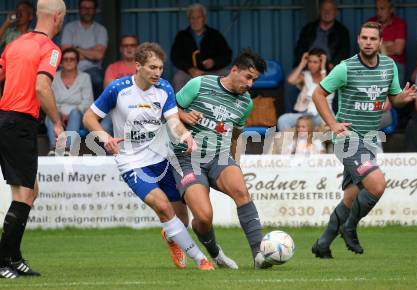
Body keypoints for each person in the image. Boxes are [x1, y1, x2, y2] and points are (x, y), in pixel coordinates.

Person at [83, 42, 214, 271]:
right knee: (163, 207)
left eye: (160, 68)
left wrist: (185, 136)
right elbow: (88, 118)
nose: (157, 73)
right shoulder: (118, 89)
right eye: (152, 67)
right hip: (131, 162)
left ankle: (172, 237)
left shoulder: (164, 88)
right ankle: (200, 259)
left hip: (162, 158)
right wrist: (105, 138)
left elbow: (173, 121)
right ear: (138, 66)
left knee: (180, 218)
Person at [311, 21, 417, 258]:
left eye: (373, 39)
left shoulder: (389, 67)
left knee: (351, 197)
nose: (368, 42)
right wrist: (332, 124)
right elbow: (318, 93)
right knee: (377, 185)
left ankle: (323, 244)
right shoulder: (345, 68)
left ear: (380, 42)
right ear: (358, 40)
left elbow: (394, 99)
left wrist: (403, 98)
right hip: (347, 139)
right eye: (364, 38)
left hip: (369, 140)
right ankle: (349, 228)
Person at [171, 49, 272, 269]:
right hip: (187, 158)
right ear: (234, 70)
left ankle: (259, 255)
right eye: (248, 77)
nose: (251, 84)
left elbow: (236, 134)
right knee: (204, 217)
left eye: (254, 80)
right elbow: (168, 110)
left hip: (219, 156)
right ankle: (216, 253)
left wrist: (234, 161)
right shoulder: (199, 84)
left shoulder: (246, 102)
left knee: (241, 191)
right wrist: (182, 114)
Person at [0, 0, 66, 279]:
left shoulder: (15, 44)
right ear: (58, 17)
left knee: (30, 190)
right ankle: (3, 261)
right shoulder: (49, 49)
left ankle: (13, 258)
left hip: (7, 119)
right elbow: (42, 86)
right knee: (24, 194)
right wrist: (57, 122)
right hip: (19, 122)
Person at [170, 3, 232, 91]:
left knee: (228, 75)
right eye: (192, 18)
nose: (195, 21)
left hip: (212, 72)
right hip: (190, 72)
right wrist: (190, 69)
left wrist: (214, 62)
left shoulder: (215, 34)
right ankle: (181, 104)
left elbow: (227, 55)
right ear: (188, 19)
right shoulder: (182, 36)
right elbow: (175, 57)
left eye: (198, 17)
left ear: (204, 19)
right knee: (178, 78)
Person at [46, 47, 93, 156]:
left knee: (75, 114)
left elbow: (88, 101)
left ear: (77, 61)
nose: (68, 61)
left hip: (78, 116)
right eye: (65, 59)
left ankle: (67, 149)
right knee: (51, 115)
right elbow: (50, 99)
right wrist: (59, 114)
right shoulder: (54, 77)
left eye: (72, 59)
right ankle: (55, 148)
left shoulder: (85, 77)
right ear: (61, 62)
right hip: (58, 115)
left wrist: (73, 111)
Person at [61, 0, 108, 99]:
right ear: (79, 10)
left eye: (90, 8)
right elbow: (66, 52)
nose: (87, 11)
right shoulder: (70, 27)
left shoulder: (101, 29)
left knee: (97, 80)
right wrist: (91, 51)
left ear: (95, 10)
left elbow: (99, 55)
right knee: (54, 78)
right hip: (69, 67)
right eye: (84, 8)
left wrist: (76, 48)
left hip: (92, 69)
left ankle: (96, 111)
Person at [278, 48, 333, 131]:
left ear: (321, 63)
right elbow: (290, 80)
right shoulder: (305, 76)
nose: (311, 65)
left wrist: (323, 68)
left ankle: (315, 142)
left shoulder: (330, 77)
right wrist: (302, 63)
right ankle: (291, 143)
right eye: (309, 61)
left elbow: (325, 88)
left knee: (325, 123)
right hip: (305, 115)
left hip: (322, 114)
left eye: (315, 62)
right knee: (283, 119)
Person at [294, 0, 349, 69]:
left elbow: (343, 53)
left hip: (329, 68)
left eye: (330, 10)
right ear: (319, 11)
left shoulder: (342, 31)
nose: (327, 12)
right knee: (293, 78)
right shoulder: (308, 29)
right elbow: (299, 49)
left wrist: (332, 65)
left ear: (336, 12)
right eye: (324, 9)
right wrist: (305, 63)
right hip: (308, 65)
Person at [368, 0, 407, 86]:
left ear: (391, 9)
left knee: (395, 96)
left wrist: (379, 46)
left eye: (382, 9)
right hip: (374, 62)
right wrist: (390, 44)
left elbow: (398, 49)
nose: (379, 12)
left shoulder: (399, 23)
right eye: (377, 9)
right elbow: (367, 48)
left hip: (395, 63)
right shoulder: (370, 23)